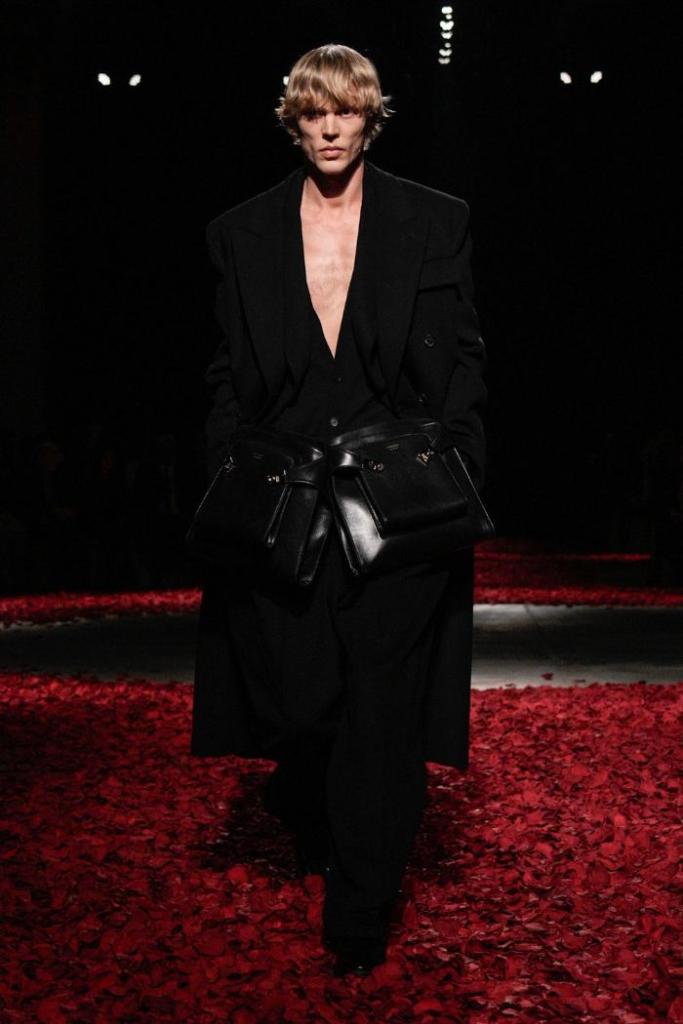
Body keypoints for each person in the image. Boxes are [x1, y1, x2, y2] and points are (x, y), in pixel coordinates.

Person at [190, 43, 487, 977]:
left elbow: (462, 360)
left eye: (345, 112)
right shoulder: (241, 232)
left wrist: (458, 469)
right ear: (293, 120)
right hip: (285, 504)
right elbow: (226, 372)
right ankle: (305, 797)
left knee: (383, 710)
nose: (328, 129)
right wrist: (227, 465)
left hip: (396, 504)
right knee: (300, 701)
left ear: (369, 118)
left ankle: (359, 911)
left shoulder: (432, 220)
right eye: (313, 113)